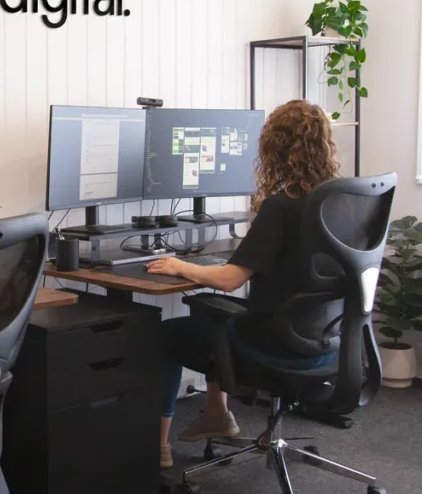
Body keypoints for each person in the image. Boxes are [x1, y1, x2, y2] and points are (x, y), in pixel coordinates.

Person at [146, 100, 341, 469]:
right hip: (327, 341)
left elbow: (231, 279)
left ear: (273, 148)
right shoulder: (339, 200)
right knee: (216, 319)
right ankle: (217, 414)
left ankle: (158, 448)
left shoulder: (282, 206)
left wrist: (179, 265)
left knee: (170, 335)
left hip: (274, 343)